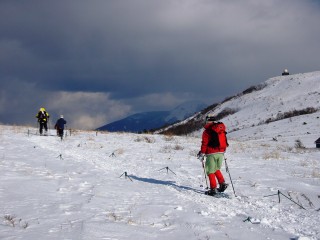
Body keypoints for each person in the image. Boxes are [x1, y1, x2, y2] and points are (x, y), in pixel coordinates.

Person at [197, 115, 229, 196]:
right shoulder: (220, 129)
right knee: (216, 169)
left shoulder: (207, 131)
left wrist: (202, 153)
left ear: (207, 121)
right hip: (221, 152)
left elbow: (204, 143)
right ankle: (222, 184)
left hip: (211, 153)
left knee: (210, 171)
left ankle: (213, 189)